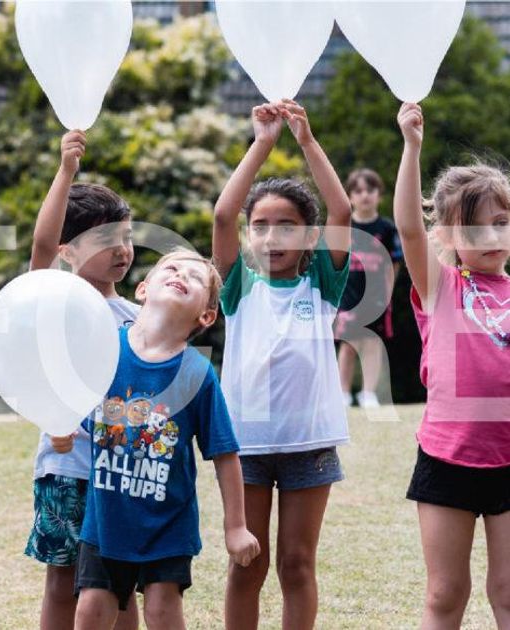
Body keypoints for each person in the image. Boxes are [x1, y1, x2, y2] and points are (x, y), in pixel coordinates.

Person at [66, 249, 259, 630]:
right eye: (171, 268)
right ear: (142, 289)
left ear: (206, 315)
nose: (181, 275)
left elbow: (225, 454)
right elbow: (76, 415)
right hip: (106, 521)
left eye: (195, 277)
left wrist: (235, 526)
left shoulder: (196, 373)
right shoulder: (105, 351)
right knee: (91, 610)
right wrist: (63, 432)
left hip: (168, 525)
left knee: (161, 611)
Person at [214, 101, 352, 630]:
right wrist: (263, 143)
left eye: (288, 226)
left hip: (309, 445)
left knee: (297, 564)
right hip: (245, 446)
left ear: (310, 237)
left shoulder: (320, 284)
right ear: (250, 234)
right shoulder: (237, 286)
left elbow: (341, 211)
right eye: (261, 226)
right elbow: (222, 215)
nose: (273, 237)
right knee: (247, 565)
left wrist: (306, 140)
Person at [395, 102, 510, 629]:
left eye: (502, 224)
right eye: (477, 228)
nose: (494, 238)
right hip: (447, 458)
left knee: (507, 591)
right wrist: (412, 147)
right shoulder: (441, 286)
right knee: (445, 594)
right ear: (447, 237)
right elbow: (407, 228)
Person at [26, 129, 138, 630]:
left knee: (123, 582)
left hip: (125, 469)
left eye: (126, 237)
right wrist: (66, 170)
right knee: (62, 579)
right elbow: (41, 245)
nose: (121, 250)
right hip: (67, 467)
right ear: (68, 252)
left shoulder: (140, 317)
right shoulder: (57, 299)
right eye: (105, 241)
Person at [336, 168, 403, 408]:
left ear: (379, 194)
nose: (364, 195)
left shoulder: (387, 229)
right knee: (348, 345)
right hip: (347, 298)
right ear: (350, 196)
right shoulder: (343, 228)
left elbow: (393, 266)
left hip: (376, 299)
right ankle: (343, 394)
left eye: (370, 190)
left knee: (372, 344)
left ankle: (368, 393)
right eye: (358, 190)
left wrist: (387, 295)